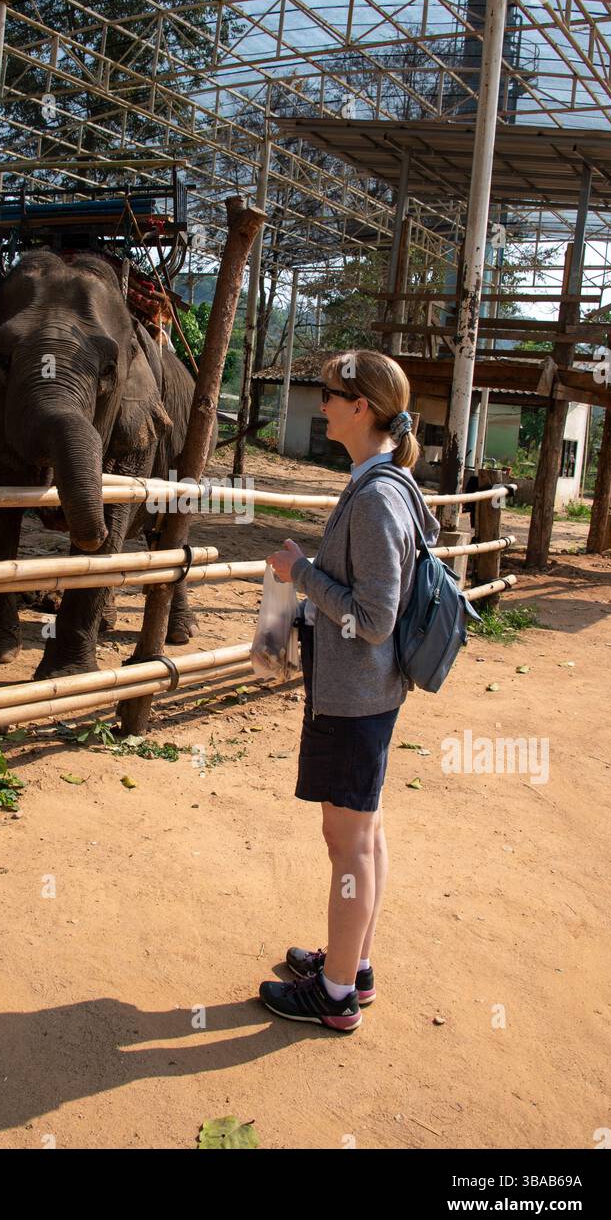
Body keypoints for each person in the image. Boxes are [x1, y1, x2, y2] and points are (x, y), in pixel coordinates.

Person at [258, 349, 440, 1033]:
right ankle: (349, 965)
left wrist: (301, 573)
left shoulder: (377, 496)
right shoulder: (380, 482)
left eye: (329, 394)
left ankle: (334, 995)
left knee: (347, 843)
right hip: (365, 692)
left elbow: (371, 619)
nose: (322, 403)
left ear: (361, 406)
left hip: (354, 694)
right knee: (364, 833)